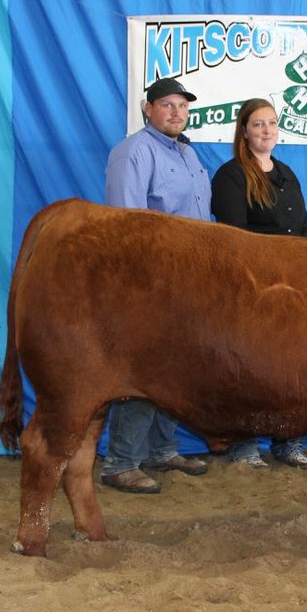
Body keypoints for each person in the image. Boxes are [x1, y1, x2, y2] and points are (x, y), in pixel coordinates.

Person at [100, 77, 210, 494]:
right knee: (142, 372)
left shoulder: (186, 152)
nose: (176, 113)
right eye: (167, 105)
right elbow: (126, 225)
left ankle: (163, 451)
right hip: (150, 283)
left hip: (188, 280)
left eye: (182, 106)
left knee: (174, 371)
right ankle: (120, 463)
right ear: (148, 109)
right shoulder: (133, 151)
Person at [210, 97, 307, 469]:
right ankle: (243, 444)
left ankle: (288, 440)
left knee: (290, 366)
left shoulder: (287, 173)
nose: (266, 130)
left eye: (271, 123)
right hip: (251, 286)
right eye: (258, 124)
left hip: (290, 286)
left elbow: (303, 229)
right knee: (247, 367)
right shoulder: (231, 175)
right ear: (244, 131)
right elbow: (234, 237)